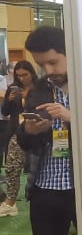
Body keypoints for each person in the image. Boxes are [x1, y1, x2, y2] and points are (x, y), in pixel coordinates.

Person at [16, 26, 79, 235]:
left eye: (53, 62)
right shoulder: (39, 90)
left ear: (69, 52)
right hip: (45, 188)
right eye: (43, 65)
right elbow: (23, 141)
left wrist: (73, 119)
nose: (49, 71)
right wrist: (29, 130)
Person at [0, 59, 36, 216]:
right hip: (16, 131)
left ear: (31, 73)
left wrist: (27, 97)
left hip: (37, 132)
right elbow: (6, 111)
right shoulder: (12, 89)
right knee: (12, 167)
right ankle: (10, 202)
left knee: (37, 168)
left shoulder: (39, 89)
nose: (21, 78)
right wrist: (8, 100)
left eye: (25, 74)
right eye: (18, 75)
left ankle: (37, 198)